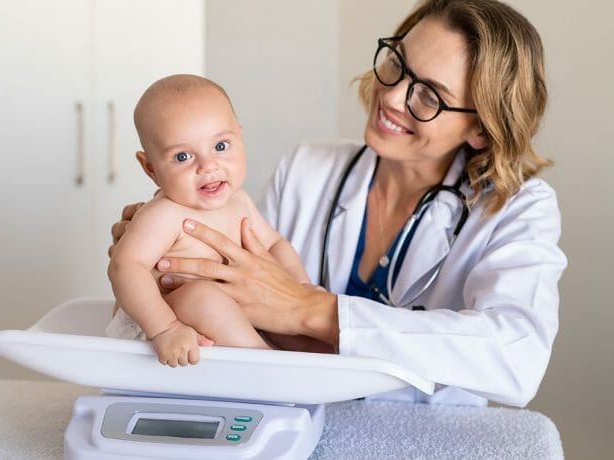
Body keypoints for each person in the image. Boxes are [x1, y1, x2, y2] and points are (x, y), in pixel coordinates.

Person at [111, 0, 567, 407]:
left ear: (482, 130)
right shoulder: (308, 169)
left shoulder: (518, 208)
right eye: (397, 65)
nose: (389, 96)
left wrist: (311, 309)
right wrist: (165, 264)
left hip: (421, 431)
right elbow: (233, 285)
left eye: (429, 96)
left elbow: (518, 356)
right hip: (284, 412)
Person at [107, 74, 314, 368]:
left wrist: (301, 287)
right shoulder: (164, 214)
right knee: (202, 296)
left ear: (240, 137)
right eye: (182, 156)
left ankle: (305, 350)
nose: (207, 166)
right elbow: (124, 266)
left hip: (226, 322)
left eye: (220, 146)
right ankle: (266, 362)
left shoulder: (239, 201)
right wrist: (165, 328)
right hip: (158, 326)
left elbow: (276, 244)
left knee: (281, 314)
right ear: (150, 168)